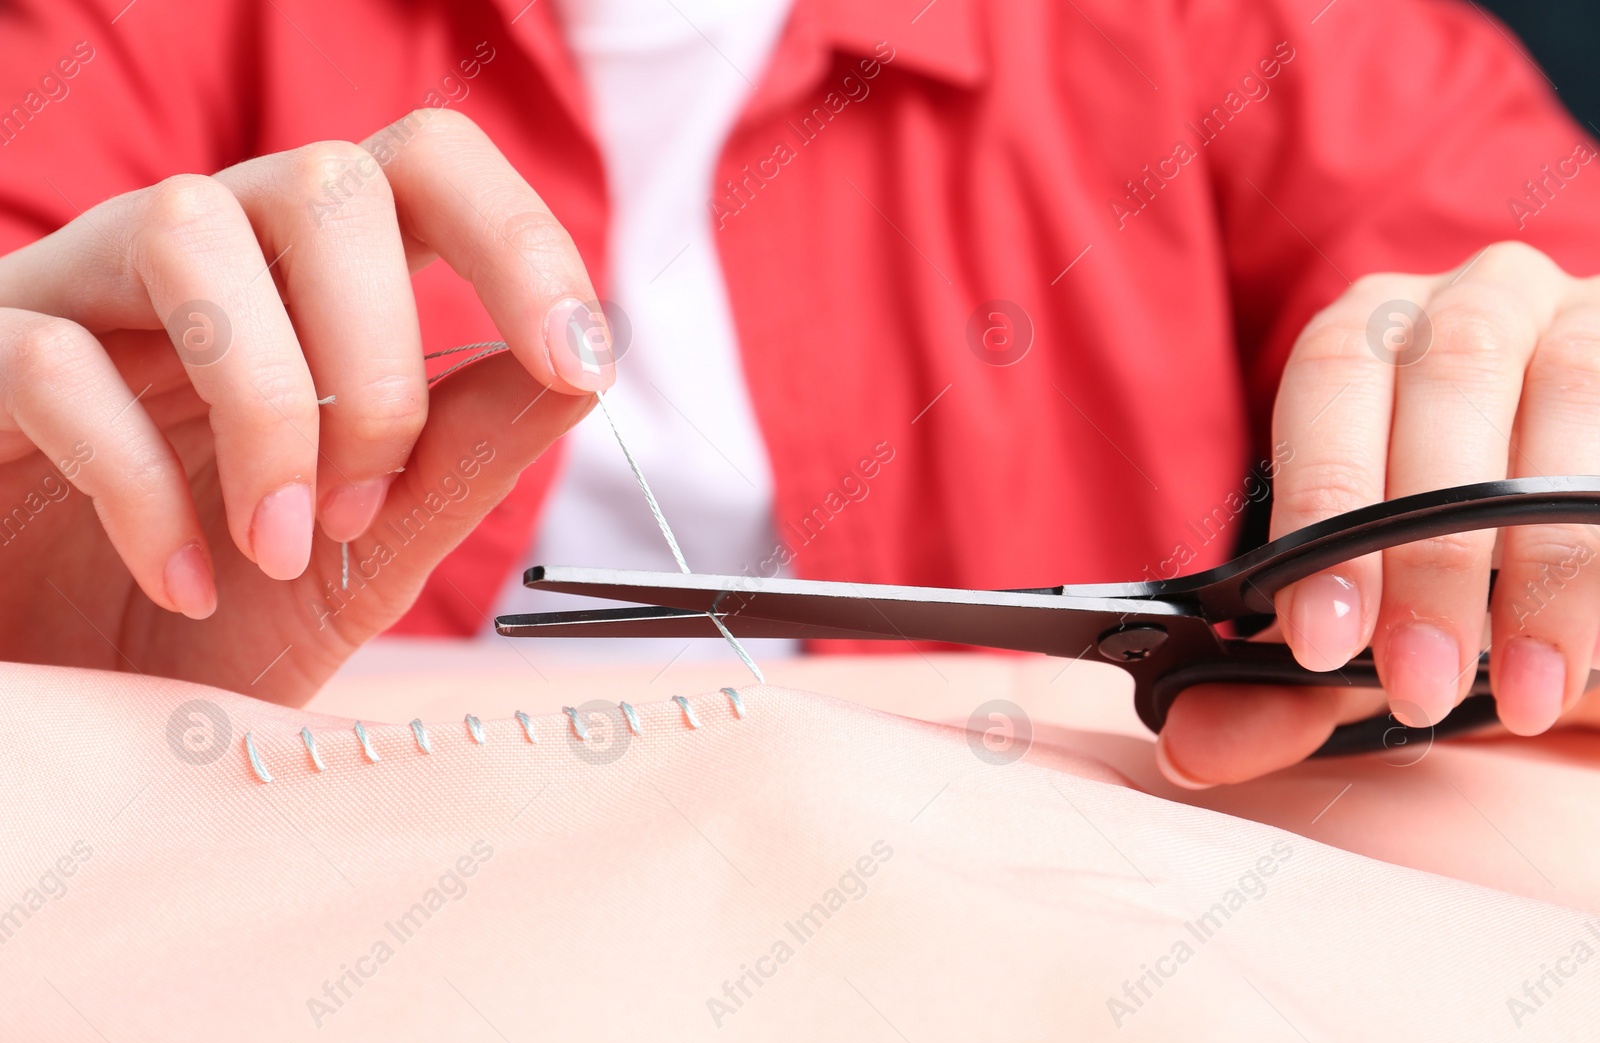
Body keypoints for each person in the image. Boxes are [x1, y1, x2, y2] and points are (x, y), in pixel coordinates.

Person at [3, 0, 1600, 790]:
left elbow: (1553, 351)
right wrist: (39, 630)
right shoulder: (114, 36)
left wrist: (1543, 487)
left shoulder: (1243, 32)